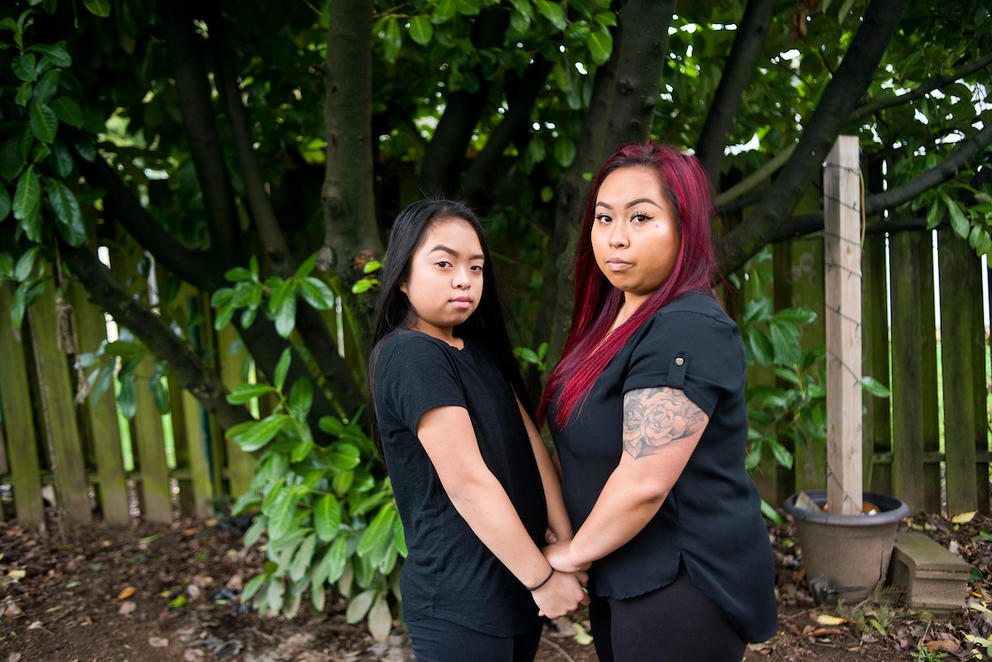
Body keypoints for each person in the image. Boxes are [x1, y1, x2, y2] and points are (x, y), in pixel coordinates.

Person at [539, 142, 777, 662]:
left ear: (685, 227)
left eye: (641, 217)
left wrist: (572, 554)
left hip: (681, 584)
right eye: (604, 218)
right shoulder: (614, 321)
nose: (616, 237)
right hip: (624, 571)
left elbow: (645, 482)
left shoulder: (685, 327)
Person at [368, 199, 586, 662]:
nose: (464, 279)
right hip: (460, 601)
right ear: (403, 276)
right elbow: (467, 483)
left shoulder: (478, 348)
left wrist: (567, 550)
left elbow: (531, 449)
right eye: (444, 264)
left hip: (514, 585)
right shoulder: (411, 355)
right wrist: (544, 579)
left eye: (476, 267)